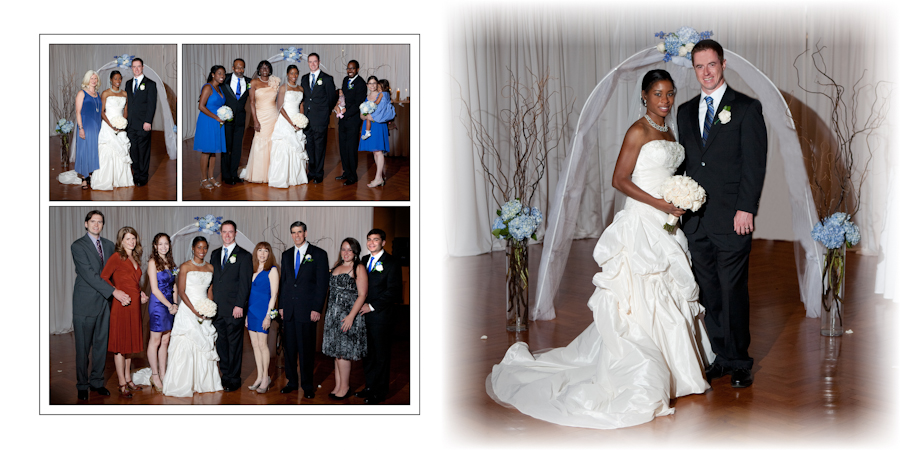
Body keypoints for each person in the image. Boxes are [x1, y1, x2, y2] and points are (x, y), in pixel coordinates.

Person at [488, 70, 715, 429]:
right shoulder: (638, 131)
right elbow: (619, 180)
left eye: (670, 94)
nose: (665, 100)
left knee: (667, 290)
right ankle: (643, 368)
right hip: (642, 219)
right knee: (636, 292)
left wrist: (677, 199)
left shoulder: (669, 132)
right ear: (644, 96)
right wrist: (660, 203)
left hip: (666, 222)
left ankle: (675, 368)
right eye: (658, 94)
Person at [676, 39, 767, 388]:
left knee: (732, 290)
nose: (706, 72)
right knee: (709, 291)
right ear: (694, 69)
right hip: (696, 221)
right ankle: (720, 356)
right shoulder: (685, 111)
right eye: (699, 66)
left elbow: (754, 165)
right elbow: (687, 162)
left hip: (733, 218)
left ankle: (740, 360)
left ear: (723, 64)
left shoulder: (746, 108)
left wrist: (746, 208)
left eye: (711, 64)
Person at [162, 236, 224, 397]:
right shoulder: (185, 267)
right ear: (193, 248)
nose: (202, 251)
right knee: (187, 343)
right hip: (188, 309)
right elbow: (182, 291)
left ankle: (203, 382)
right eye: (199, 247)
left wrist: (209, 307)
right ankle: (184, 382)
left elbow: (210, 290)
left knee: (205, 343)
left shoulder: (210, 267)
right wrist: (194, 311)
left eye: (205, 247)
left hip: (204, 310)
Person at [71, 210, 121, 401]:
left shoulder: (109, 245)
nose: (96, 225)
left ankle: (97, 382)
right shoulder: (78, 246)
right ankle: (82, 385)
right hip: (85, 303)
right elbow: (89, 274)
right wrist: (113, 291)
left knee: (101, 346)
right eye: (93, 221)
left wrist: (132, 290)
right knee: (83, 348)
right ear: (86, 224)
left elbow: (116, 272)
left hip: (105, 303)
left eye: (99, 222)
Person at [278, 221, 329, 398]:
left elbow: (322, 285)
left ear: (305, 233)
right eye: (293, 232)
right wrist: (281, 306)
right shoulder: (286, 255)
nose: (297, 235)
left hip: (308, 311)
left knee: (306, 350)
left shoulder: (319, 254)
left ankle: (307, 385)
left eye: (299, 232)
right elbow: (284, 283)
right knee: (289, 350)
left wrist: (317, 308)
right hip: (289, 311)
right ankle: (292, 382)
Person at [355, 229, 402, 404]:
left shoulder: (392, 262)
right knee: (367, 354)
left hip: (381, 317)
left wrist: (372, 306)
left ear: (383, 242)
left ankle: (380, 392)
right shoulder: (364, 260)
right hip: (363, 316)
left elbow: (394, 291)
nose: (371, 243)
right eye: (369, 239)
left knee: (381, 355)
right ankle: (369, 387)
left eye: (376, 239)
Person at [101, 226, 149, 398]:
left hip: (134, 306)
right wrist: (116, 292)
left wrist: (140, 292)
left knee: (129, 345)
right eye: (127, 238)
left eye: (133, 238)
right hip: (121, 305)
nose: (131, 241)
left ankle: (129, 379)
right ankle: (121, 382)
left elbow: (132, 282)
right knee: (120, 346)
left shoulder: (135, 257)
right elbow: (104, 277)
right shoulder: (116, 257)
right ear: (121, 241)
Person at [322, 238, 368, 400]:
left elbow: (362, 294)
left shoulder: (358, 267)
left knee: (343, 353)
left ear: (355, 252)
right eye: (343, 249)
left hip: (347, 316)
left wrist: (350, 317)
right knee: (337, 353)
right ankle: (338, 386)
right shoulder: (336, 266)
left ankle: (345, 387)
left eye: (349, 249)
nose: (346, 253)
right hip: (333, 316)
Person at [209, 220, 252, 391]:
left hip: (234, 309)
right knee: (221, 344)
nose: (227, 235)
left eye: (230, 232)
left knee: (234, 345)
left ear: (235, 233)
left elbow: (245, 284)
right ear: (220, 233)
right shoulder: (214, 254)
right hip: (217, 309)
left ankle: (234, 379)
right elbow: (213, 281)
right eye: (224, 232)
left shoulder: (244, 256)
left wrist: (240, 305)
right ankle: (225, 375)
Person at [91, 70, 134, 190]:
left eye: (120, 78)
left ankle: (120, 179)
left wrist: (122, 123)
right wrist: (111, 125)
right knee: (107, 151)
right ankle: (105, 179)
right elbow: (102, 112)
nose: (118, 81)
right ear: (111, 80)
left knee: (122, 150)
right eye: (115, 78)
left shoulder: (125, 94)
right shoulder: (105, 93)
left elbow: (125, 111)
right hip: (107, 125)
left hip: (120, 126)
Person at [245, 242, 279, 394]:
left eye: (266, 251)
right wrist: (246, 315)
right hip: (251, 311)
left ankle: (266, 378)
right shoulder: (252, 269)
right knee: (255, 345)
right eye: (260, 250)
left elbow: (274, 295)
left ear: (269, 254)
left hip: (263, 312)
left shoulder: (272, 270)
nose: (262, 254)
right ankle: (259, 376)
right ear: (256, 252)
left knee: (262, 345)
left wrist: (268, 316)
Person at [146, 233, 177, 393]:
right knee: (155, 340)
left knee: (165, 340)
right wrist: (169, 305)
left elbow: (174, 285)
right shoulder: (152, 262)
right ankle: (155, 375)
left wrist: (175, 303)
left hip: (170, 304)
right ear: (155, 246)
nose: (163, 247)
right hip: (158, 305)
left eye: (166, 243)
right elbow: (154, 289)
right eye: (160, 244)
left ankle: (164, 374)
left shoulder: (171, 262)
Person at [268, 64, 309, 188]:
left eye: (296, 73)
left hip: (297, 120)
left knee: (297, 147)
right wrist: (291, 123)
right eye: (291, 73)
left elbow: (301, 106)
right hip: (285, 120)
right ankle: (283, 177)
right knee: (285, 147)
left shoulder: (301, 89)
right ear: (287, 74)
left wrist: (300, 120)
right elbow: (280, 107)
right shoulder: (283, 88)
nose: (294, 75)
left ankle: (296, 176)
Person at [239, 60, 280, 183]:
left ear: (270, 69)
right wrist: (255, 120)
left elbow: (278, 101)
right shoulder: (253, 82)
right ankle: (259, 173)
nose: (264, 69)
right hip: (261, 116)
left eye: (267, 67)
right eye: (262, 67)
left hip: (273, 116)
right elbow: (252, 102)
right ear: (259, 70)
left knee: (273, 142)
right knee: (260, 141)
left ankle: (273, 172)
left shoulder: (275, 81)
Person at [300, 53, 337, 184]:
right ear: (308, 63)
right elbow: (304, 98)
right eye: (310, 62)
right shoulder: (304, 78)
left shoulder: (327, 79)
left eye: (315, 61)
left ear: (319, 62)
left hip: (320, 118)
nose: (313, 64)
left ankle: (319, 173)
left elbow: (332, 98)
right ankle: (312, 171)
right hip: (307, 119)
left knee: (320, 146)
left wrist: (325, 112)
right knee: (310, 146)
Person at [194, 65, 227, 189]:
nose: (222, 76)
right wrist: (216, 117)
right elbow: (201, 106)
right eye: (219, 73)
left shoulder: (220, 88)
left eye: (223, 74)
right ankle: (203, 179)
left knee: (214, 151)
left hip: (217, 121)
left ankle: (211, 177)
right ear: (213, 74)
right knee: (207, 151)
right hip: (208, 120)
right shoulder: (208, 87)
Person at [125, 57, 157, 187]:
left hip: (143, 124)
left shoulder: (150, 84)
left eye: (139, 66)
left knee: (143, 151)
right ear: (131, 68)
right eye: (134, 66)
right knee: (133, 151)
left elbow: (151, 105)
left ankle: (143, 177)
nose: (136, 69)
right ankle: (136, 175)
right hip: (130, 124)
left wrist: (148, 121)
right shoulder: (128, 84)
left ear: (143, 67)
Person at [336, 60, 367, 186]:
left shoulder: (361, 83)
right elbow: (342, 97)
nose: (350, 71)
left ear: (357, 69)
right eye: (348, 68)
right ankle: (346, 172)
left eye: (352, 68)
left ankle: (352, 176)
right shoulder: (345, 80)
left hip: (353, 120)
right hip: (343, 120)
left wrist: (345, 113)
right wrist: (338, 106)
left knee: (351, 149)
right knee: (343, 148)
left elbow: (358, 104)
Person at [222, 58, 251, 185]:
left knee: (237, 148)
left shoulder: (249, 82)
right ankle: (226, 175)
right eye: (237, 67)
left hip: (240, 119)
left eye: (242, 68)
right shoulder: (225, 79)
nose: (240, 70)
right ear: (233, 68)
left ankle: (234, 174)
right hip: (226, 119)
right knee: (226, 147)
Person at [358, 76, 390, 188]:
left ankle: (378, 178)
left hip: (378, 125)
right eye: (370, 83)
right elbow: (362, 115)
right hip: (368, 125)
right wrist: (365, 116)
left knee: (378, 151)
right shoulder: (366, 97)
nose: (372, 85)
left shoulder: (382, 95)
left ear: (377, 84)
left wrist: (374, 117)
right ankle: (380, 176)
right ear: (367, 85)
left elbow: (385, 112)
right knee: (375, 152)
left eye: (374, 83)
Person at [74, 70, 102, 189]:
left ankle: (90, 174)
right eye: (91, 78)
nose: (94, 80)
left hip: (97, 126)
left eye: (95, 78)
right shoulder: (82, 93)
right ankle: (84, 178)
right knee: (84, 150)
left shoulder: (97, 94)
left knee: (93, 150)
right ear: (87, 79)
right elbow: (78, 112)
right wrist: (81, 128)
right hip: (85, 125)